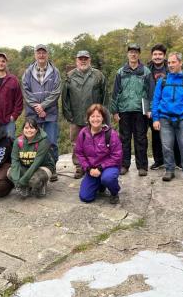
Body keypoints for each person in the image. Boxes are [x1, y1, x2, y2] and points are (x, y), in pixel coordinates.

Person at [152, 52, 183, 185]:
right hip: (165, 118)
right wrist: (155, 118)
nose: (171, 65)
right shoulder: (163, 81)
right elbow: (156, 100)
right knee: (167, 147)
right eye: (169, 63)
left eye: (174, 62)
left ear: (180, 63)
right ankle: (169, 170)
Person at [62, 50, 107, 179]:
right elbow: (65, 98)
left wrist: (103, 114)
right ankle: (79, 167)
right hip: (75, 116)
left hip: (95, 117)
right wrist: (67, 114)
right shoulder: (69, 76)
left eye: (85, 58)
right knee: (76, 143)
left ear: (89, 60)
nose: (83, 61)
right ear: (76, 60)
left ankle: (95, 166)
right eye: (80, 59)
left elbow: (105, 96)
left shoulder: (98, 75)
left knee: (96, 142)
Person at [110, 43, 152, 177]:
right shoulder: (121, 72)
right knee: (124, 139)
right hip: (124, 110)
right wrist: (115, 111)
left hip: (140, 110)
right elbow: (115, 93)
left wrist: (149, 109)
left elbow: (151, 92)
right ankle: (124, 165)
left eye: (135, 52)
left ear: (139, 54)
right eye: (131, 52)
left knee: (141, 138)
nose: (133, 54)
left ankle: (142, 166)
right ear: (127, 54)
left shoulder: (146, 71)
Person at [22, 44, 61, 181]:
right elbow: (26, 91)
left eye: (43, 52)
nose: (41, 55)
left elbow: (56, 92)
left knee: (51, 142)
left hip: (50, 113)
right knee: (33, 141)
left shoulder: (55, 72)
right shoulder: (28, 72)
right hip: (33, 114)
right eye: (39, 53)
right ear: (35, 55)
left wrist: (43, 106)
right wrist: (37, 108)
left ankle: (52, 168)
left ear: (47, 54)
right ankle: (33, 167)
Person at [75, 104, 122, 204]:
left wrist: (101, 168)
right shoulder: (83, 133)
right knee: (85, 197)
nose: (95, 119)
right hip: (92, 169)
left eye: (98, 116)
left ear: (103, 118)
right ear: (88, 118)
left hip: (109, 167)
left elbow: (117, 156)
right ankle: (100, 184)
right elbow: (79, 153)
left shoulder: (111, 134)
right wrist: (88, 168)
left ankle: (114, 192)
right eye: (92, 116)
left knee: (108, 178)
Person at [9, 118, 56, 198]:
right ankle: (26, 187)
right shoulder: (18, 141)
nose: (29, 130)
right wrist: (16, 180)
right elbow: (15, 160)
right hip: (26, 167)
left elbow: (36, 163)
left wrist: (23, 180)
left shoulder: (43, 141)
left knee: (34, 180)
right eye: (26, 128)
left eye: (32, 128)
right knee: (10, 173)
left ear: (36, 129)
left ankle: (41, 185)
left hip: (43, 167)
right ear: (23, 129)